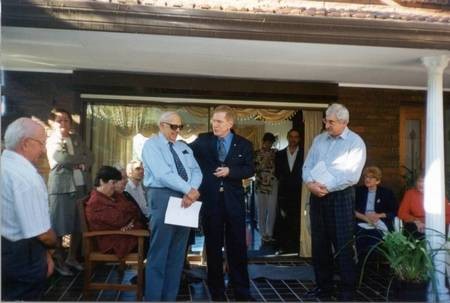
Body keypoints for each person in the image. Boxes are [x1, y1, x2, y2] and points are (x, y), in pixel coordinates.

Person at [303, 103, 366, 300]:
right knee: (319, 244)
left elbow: (352, 176)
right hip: (317, 196)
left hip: (341, 197)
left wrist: (326, 188)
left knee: (343, 244)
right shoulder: (319, 139)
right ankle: (324, 287)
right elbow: (307, 165)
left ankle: (347, 290)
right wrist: (310, 184)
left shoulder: (355, 143)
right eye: (325, 120)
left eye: (331, 122)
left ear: (344, 122)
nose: (327, 125)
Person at [191, 105, 255, 301]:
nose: (214, 125)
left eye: (219, 121)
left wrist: (230, 172)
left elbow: (250, 169)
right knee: (212, 247)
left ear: (230, 123)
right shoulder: (203, 140)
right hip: (211, 202)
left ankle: (242, 292)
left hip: (233, 203)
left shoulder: (243, 144)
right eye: (213, 121)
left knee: (237, 248)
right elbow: (185, 154)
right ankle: (216, 292)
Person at [141, 111, 202, 301]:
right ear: (161, 125)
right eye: (173, 126)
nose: (177, 130)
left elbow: (196, 170)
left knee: (177, 255)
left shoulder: (183, 147)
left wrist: (191, 190)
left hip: (186, 199)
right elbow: (162, 174)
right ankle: (153, 299)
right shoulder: (152, 145)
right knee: (159, 253)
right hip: (163, 196)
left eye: (179, 127)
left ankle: (169, 298)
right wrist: (189, 190)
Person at [1, 117, 57, 300]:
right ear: (25, 143)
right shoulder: (26, 178)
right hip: (21, 256)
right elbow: (42, 234)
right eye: (42, 143)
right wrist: (53, 248)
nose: (43, 150)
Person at [46, 108, 93, 275]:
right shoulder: (52, 140)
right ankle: (58, 260)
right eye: (60, 120)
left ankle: (71, 258)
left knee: (78, 225)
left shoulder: (76, 138)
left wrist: (77, 162)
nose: (63, 123)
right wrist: (79, 162)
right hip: (62, 188)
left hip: (80, 186)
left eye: (66, 120)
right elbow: (62, 158)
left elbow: (90, 156)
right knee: (59, 225)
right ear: (52, 123)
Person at [85, 166, 146, 258]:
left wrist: (130, 222)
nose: (115, 186)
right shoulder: (95, 203)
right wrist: (130, 221)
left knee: (156, 239)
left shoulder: (114, 195)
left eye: (116, 182)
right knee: (154, 243)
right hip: (114, 242)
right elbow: (120, 220)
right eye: (113, 183)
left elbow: (134, 209)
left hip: (125, 234)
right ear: (102, 181)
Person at [354, 166, 397, 257]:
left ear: (378, 181)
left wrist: (378, 215)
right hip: (362, 221)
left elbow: (394, 212)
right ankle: (361, 263)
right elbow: (351, 210)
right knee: (361, 235)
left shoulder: (386, 193)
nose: (367, 179)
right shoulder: (358, 191)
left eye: (371, 177)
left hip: (379, 221)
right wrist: (364, 217)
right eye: (366, 177)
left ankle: (373, 263)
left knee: (375, 236)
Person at [274, 128, 303, 254]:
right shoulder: (279, 154)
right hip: (284, 192)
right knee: (282, 220)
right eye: (291, 136)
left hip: (299, 191)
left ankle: (297, 247)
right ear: (287, 137)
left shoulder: (304, 153)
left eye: (296, 137)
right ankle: (283, 246)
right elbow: (277, 173)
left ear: (299, 139)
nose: (293, 139)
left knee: (296, 219)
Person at [398, 174, 450, 238]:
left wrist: (431, 224)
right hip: (416, 224)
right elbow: (402, 213)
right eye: (420, 181)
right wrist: (416, 221)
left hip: (435, 224)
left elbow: (448, 215)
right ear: (416, 182)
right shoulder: (410, 194)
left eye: (425, 182)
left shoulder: (438, 194)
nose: (421, 184)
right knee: (411, 229)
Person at [254, 132, 278, 243]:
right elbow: (254, 169)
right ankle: (263, 234)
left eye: (270, 142)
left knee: (272, 210)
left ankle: (270, 233)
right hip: (260, 184)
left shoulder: (276, 153)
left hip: (273, 183)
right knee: (261, 210)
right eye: (266, 142)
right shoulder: (256, 153)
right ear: (263, 142)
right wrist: (264, 161)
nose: (268, 144)